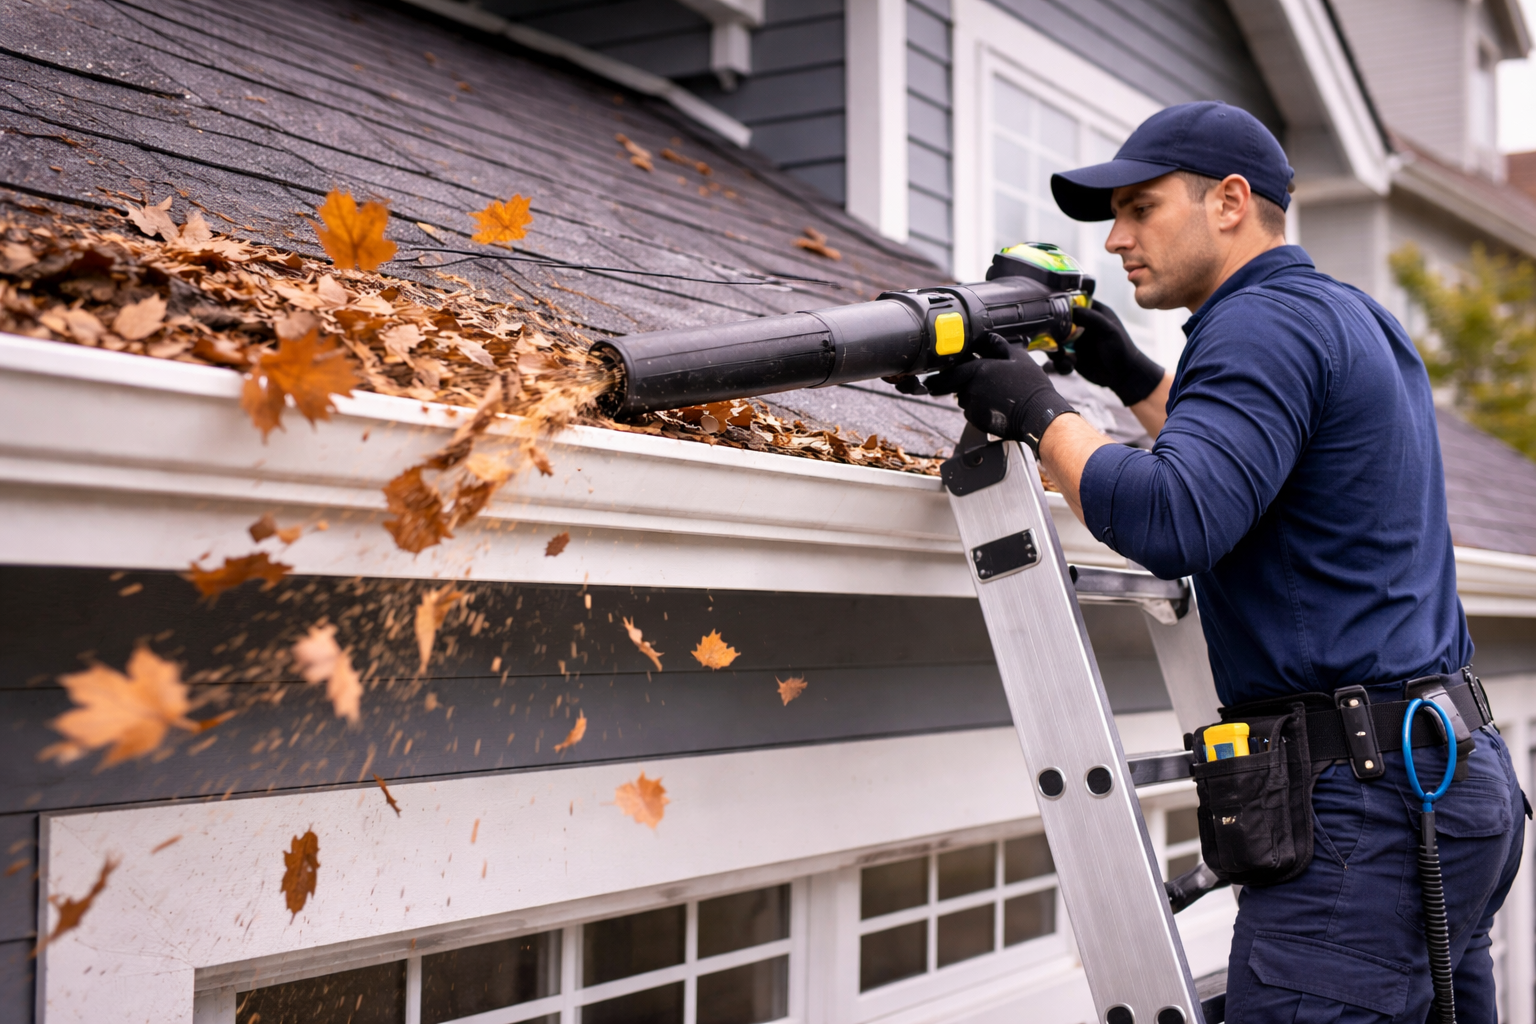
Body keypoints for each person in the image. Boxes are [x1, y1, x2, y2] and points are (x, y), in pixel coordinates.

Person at [928, 101, 1526, 1022]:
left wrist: (1037, 409)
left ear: (1230, 201)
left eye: (1141, 208)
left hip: (1361, 821)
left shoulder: (1256, 327)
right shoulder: (1347, 316)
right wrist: (1128, 374)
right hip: (1450, 782)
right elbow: (1252, 475)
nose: (1118, 239)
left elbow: (1176, 516)